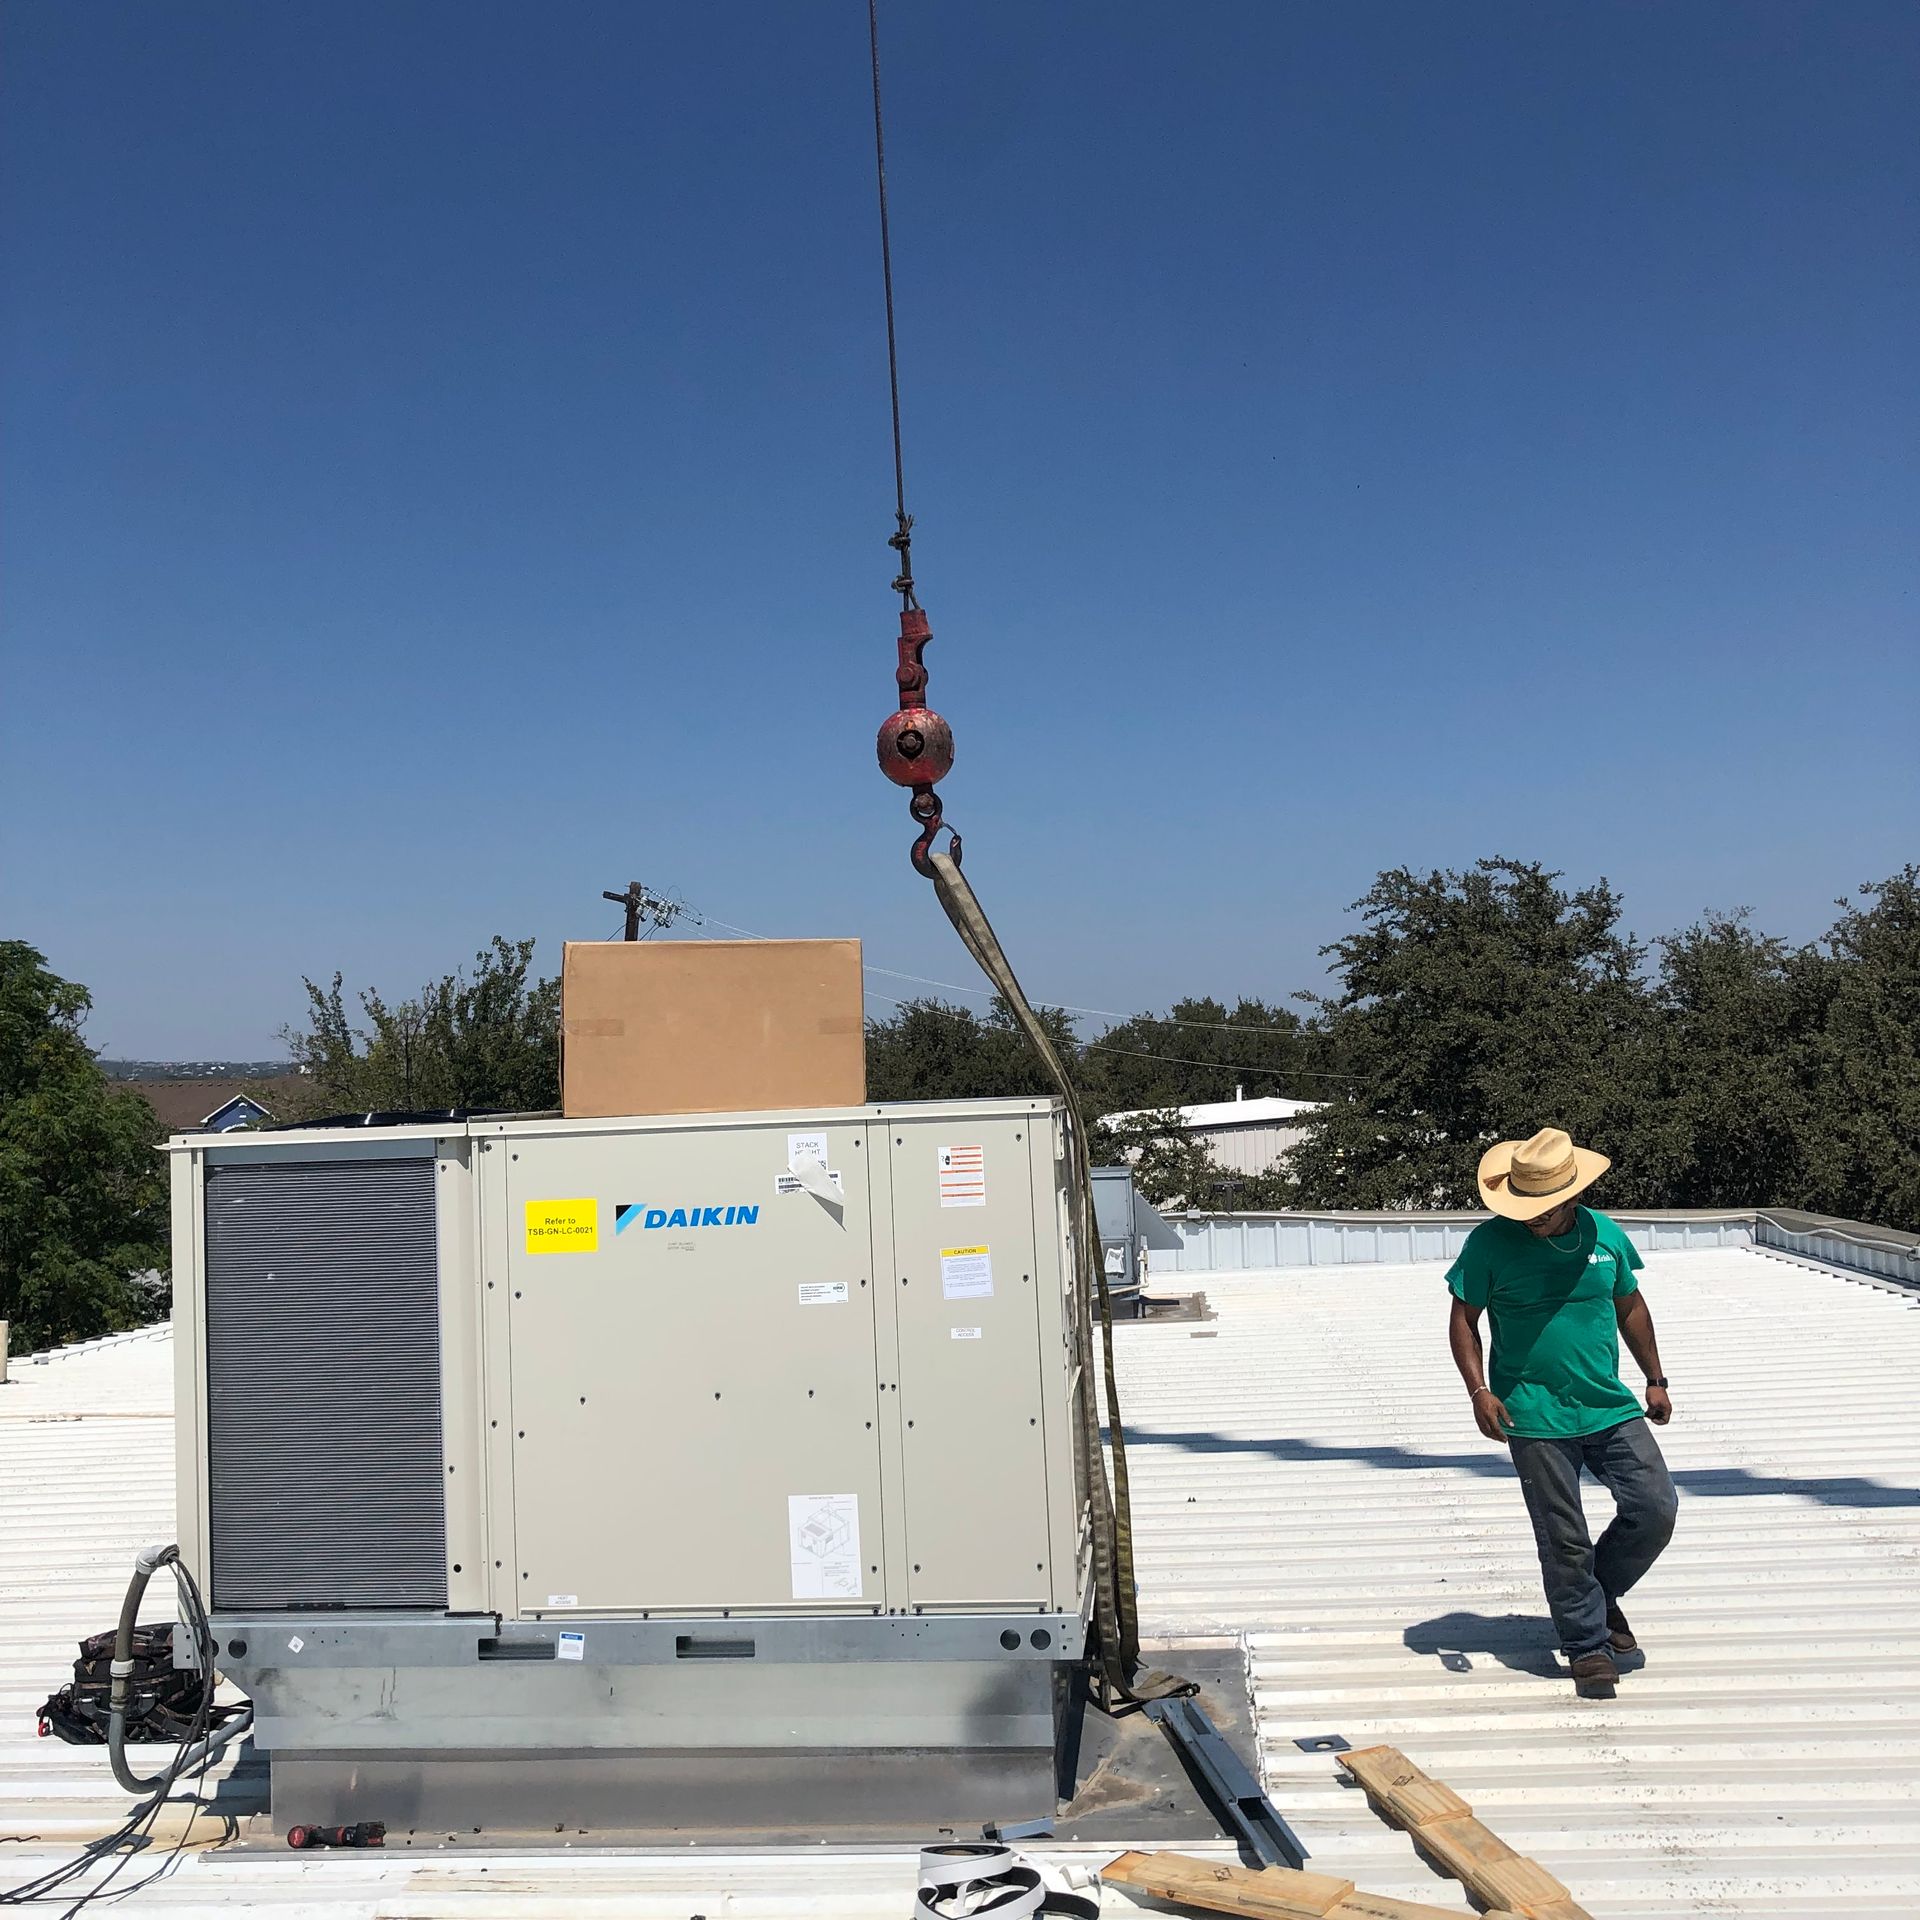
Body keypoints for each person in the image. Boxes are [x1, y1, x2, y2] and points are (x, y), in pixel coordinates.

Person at [1445, 1126, 1677, 1696]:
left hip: (1608, 1405)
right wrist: (1479, 1391)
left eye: (1544, 1208)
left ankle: (1597, 1597)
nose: (1533, 1218)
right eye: (1524, 1207)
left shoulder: (1606, 1235)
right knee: (1563, 1534)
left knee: (1655, 1508)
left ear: (1572, 1195)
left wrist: (1655, 1379)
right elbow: (1462, 1320)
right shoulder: (1489, 1245)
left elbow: (1631, 1307)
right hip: (1533, 1413)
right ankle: (1586, 1644)